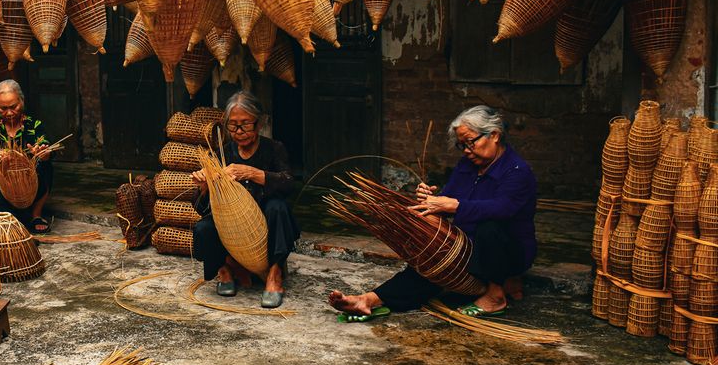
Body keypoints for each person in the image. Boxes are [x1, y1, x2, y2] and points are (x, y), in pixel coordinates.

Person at [329, 105, 537, 321]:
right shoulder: (467, 165)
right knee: (430, 268)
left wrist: (454, 205)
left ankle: (495, 296)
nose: (466, 150)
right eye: (461, 145)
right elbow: (448, 198)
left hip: (508, 252)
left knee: (490, 226)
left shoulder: (517, 171)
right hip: (469, 248)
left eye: (470, 142)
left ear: (494, 135)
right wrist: (430, 199)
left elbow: (502, 208)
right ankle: (369, 300)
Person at [190, 91, 300, 309]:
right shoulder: (223, 154)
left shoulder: (273, 148)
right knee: (203, 228)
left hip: (263, 223)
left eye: (245, 125)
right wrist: (205, 187)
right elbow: (201, 208)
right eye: (233, 126)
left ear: (259, 124)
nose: (239, 132)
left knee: (278, 208)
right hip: (231, 226)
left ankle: (275, 274)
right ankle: (224, 270)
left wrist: (252, 173)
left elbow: (288, 183)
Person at [0, 80, 54, 233]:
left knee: (46, 166)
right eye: (3, 108)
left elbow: (47, 147)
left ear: (22, 101)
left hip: (29, 186)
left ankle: (36, 214)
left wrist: (43, 154)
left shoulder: (33, 125)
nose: (9, 113)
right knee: (13, 224)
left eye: (14, 107)